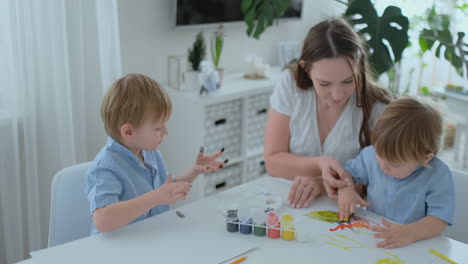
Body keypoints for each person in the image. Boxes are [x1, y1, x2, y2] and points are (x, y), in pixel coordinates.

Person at [264, 18, 392, 208]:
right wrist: (320, 164)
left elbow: (383, 178)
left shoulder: (377, 105)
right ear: (306, 68)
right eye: (325, 84)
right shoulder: (290, 84)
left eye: (349, 81)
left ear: (359, 66)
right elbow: (273, 161)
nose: (338, 95)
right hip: (287, 204)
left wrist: (321, 185)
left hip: (345, 213)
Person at [85, 74, 227, 234]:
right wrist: (156, 197)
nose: (166, 132)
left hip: (150, 236)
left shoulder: (149, 152)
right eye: (158, 128)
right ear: (129, 131)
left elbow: (166, 188)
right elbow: (103, 220)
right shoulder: (105, 168)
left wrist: (194, 171)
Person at [337, 97, 455, 249]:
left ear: (425, 158)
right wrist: (346, 188)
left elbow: (439, 220)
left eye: (394, 164)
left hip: (415, 245)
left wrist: (409, 232)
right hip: (373, 237)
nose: (383, 167)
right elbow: (347, 173)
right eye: (379, 156)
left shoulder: (438, 176)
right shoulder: (370, 155)